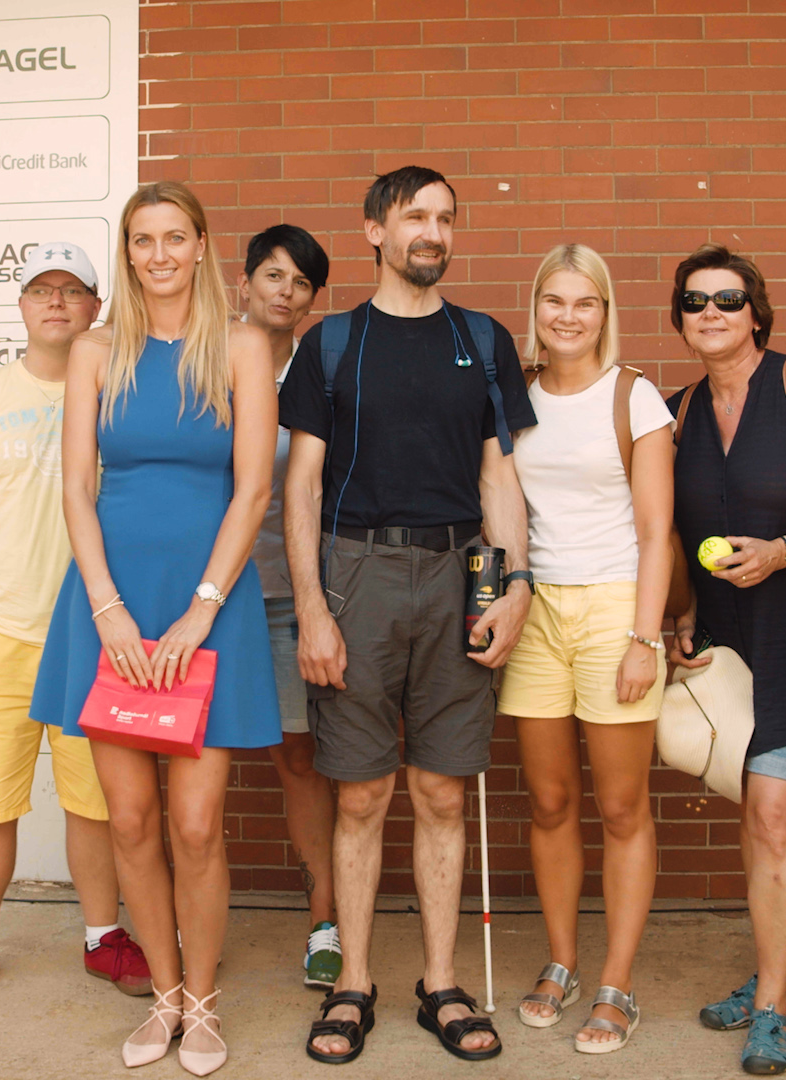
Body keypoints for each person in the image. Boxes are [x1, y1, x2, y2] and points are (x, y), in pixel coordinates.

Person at [282, 166, 536, 1065]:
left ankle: (440, 982)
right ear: (373, 232)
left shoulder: (484, 338)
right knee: (362, 795)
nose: (433, 231)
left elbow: (498, 475)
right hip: (357, 574)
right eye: (414, 216)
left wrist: (512, 585)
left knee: (440, 790)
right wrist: (313, 607)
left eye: (445, 218)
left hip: (461, 568)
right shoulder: (333, 344)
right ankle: (354, 983)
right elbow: (301, 481)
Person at [28, 182, 281, 1076]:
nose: (160, 254)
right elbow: (75, 491)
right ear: (128, 253)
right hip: (111, 610)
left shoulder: (244, 348)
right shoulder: (96, 351)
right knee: (130, 821)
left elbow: (254, 489)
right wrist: (109, 611)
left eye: (176, 238)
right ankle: (165, 995)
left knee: (198, 823)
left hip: (209, 608)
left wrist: (201, 610)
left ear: (203, 246)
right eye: (143, 241)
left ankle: (204, 1000)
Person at [0, 241, 151, 1004]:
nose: (55, 302)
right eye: (40, 290)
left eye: (72, 290)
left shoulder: (121, 394)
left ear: (95, 309)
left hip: (92, 637)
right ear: (21, 305)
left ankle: (103, 937)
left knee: (96, 805)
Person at [665, 244, 786, 1075]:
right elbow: (666, 534)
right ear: (679, 319)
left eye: (728, 299)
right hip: (722, 640)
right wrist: (678, 614)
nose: (712, 312)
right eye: (696, 301)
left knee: (775, 816)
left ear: (757, 312)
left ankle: (772, 1005)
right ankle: (782, 969)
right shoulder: (675, 413)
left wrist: (783, 549)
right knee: (754, 809)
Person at [499, 244, 674, 1054]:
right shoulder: (517, 397)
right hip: (538, 611)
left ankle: (618, 982)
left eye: (585, 302)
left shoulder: (635, 399)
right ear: (535, 309)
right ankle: (563, 963)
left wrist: (645, 637)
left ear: (606, 311)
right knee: (550, 803)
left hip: (614, 610)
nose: (568, 316)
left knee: (622, 807)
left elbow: (655, 531)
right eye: (554, 301)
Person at [237, 223, 343, 989]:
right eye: (272, 274)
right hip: (205, 598)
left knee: (298, 759)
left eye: (301, 281)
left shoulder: (325, 370)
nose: (285, 289)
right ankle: (183, 917)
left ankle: (324, 922)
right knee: (183, 758)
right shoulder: (205, 362)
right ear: (246, 282)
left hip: (287, 597)